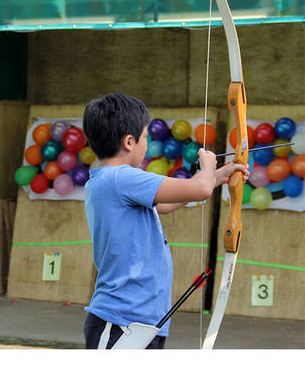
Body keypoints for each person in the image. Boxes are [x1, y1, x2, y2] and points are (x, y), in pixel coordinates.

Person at [81, 93, 249, 349]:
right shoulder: (122, 179)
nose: (146, 143)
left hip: (141, 321)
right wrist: (206, 167)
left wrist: (216, 177)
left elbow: (168, 203)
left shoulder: (114, 182)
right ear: (129, 141)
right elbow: (199, 189)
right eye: (145, 137)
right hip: (120, 321)